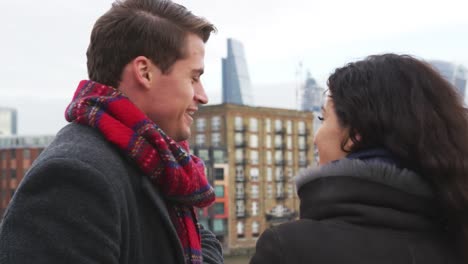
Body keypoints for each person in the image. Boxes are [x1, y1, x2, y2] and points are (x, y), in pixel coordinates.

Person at [0, 0, 223, 263]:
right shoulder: (74, 179)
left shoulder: (158, 164)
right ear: (145, 72)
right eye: (194, 78)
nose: (203, 96)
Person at [250, 54, 467, 264]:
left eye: (323, 118)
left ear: (355, 134)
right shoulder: (455, 240)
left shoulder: (288, 248)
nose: (316, 137)